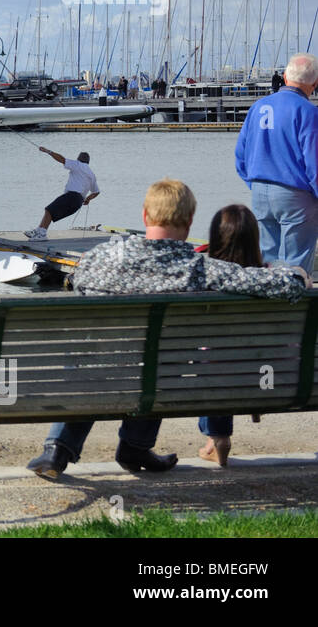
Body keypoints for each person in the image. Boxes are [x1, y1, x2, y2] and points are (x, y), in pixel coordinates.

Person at [27, 180, 308, 480]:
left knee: (92, 357)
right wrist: (292, 270)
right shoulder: (200, 269)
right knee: (158, 362)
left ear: (145, 216)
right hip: (158, 383)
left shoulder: (101, 257)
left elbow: (78, 281)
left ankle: (57, 448)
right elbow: (286, 286)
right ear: (189, 222)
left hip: (95, 378)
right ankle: (134, 447)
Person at [197, 204, 271, 466]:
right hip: (265, 378)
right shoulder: (271, 278)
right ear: (255, 240)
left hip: (217, 378)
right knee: (229, 359)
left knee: (214, 362)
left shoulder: (206, 279)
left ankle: (217, 438)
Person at [235, 53, 318, 269]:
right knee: (295, 265)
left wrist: (255, 184)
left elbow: (240, 156)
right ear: (315, 83)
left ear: (284, 76)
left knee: (266, 259)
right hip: (296, 195)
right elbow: (314, 163)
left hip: (260, 191)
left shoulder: (258, 107)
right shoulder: (309, 112)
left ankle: (268, 302)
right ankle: (293, 300)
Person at [24, 147, 98, 240]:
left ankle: (42, 234)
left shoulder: (77, 164)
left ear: (78, 159)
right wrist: (88, 199)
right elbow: (96, 192)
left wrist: (48, 151)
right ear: (88, 162)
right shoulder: (92, 174)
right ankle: (39, 231)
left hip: (72, 196)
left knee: (49, 210)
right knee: (50, 211)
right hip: (77, 203)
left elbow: (62, 159)